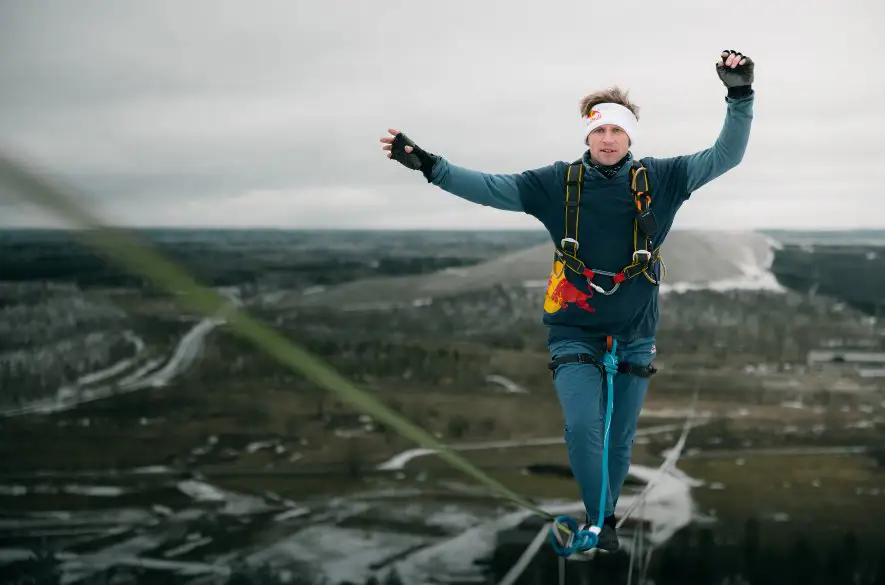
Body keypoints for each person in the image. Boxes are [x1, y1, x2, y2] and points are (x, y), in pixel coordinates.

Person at [380, 49, 755, 554]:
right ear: (587, 136)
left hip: (635, 333)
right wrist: (429, 165)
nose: (607, 139)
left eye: (616, 132)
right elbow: (491, 188)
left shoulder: (663, 179)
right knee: (583, 429)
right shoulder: (556, 184)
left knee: (619, 438)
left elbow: (724, 156)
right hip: (574, 327)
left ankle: (604, 521)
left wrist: (739, 95)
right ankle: (599, 521)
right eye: (598, 131)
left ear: (629, 138)